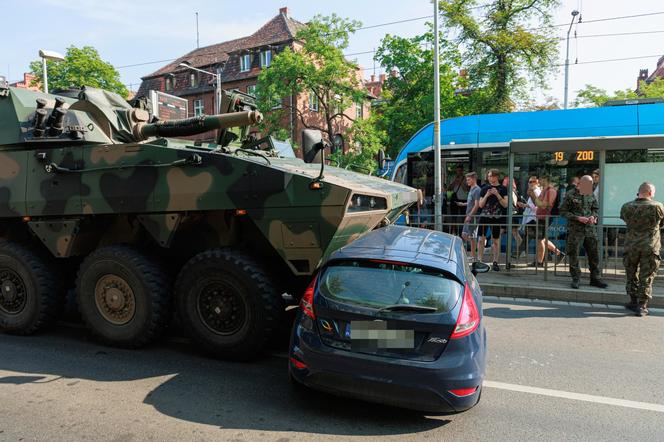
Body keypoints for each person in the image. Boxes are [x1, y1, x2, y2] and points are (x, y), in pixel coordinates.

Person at [619, 182, 664, 317]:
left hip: (631, 245)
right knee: (647, 276)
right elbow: (661, 223)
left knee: (631, 273)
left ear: (639, 192)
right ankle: (642, 305)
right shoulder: (658, 207)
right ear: (650, 193)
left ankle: (632, 301)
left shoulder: (626, 206)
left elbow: (625, 220)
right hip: (650, 246)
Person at [559, 175, 607, 289]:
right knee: (574, 255)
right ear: (580, 183)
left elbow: (595, 208)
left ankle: (595, 278)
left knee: (594, 255)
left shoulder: (590, 194)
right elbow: (562, 211)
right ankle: (576, 279)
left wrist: (593, 217)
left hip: (590, 230)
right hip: (576, 230)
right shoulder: (570, 194)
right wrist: (577, 218)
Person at [527, 174, 565, 267]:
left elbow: (543, 205)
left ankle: (539, 262)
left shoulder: (550, 191)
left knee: (540, 239)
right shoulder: (544, 190)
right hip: (541, 217)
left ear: (546, 179)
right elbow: (538, 203)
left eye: (540, 179)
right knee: (542, 239)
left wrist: (533, 196)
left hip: (546, 217)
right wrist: (532, 196)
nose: (539, 181)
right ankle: (558, 254)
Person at [478, 169, 508, 271]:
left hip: (496, 217)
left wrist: (497, 194)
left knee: (496, 240)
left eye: (491, 176)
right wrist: (487, 195)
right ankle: (479, 260)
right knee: (481, 239)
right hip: (484, 216)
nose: (489, 178)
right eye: (488, 176)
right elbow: (480, 205)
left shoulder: (503, 189)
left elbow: (505, 204)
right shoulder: (484, 188)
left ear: (496, 177)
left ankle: (495, 261)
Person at [462, 172, 482, 261]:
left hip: (473, 216)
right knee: (465, 235)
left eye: (469, 180)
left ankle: (473, 256)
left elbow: (477, 204)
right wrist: (464, 204)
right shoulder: (471, 189)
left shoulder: (477, 189)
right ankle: (473, 254)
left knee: (471, 236)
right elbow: (472, 202)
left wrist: (470, 215)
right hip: (469, 214)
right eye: (467, 180)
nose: (467, 182)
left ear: (474, 179)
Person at [449, 165, 469, 234]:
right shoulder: (453, 178)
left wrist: (461, 182)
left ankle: (463, 232)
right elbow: (449, 189)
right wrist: (455, 182)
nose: (458, 172)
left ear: (462, 171)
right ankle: (454, 232)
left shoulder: (466, 179)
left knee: (463, 217)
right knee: (454, 217)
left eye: (460, 171)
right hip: (455, 199)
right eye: (457, 171)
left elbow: (466, 189)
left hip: (463, 199)